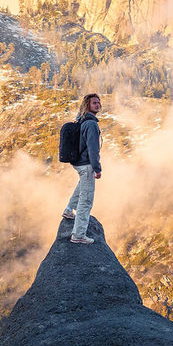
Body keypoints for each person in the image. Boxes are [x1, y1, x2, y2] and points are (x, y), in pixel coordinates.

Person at [62, 93, 102, 244]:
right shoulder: (91, 124)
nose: (97, 105)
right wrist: (97, 168)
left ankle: (68, 210)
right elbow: (93, 149)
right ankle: (78, 235)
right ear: (87, 105)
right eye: (94, 103)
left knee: (82, 186)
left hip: (78, 163)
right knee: (86, 200)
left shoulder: (81, 121)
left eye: (98, 102)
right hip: (86, 164)